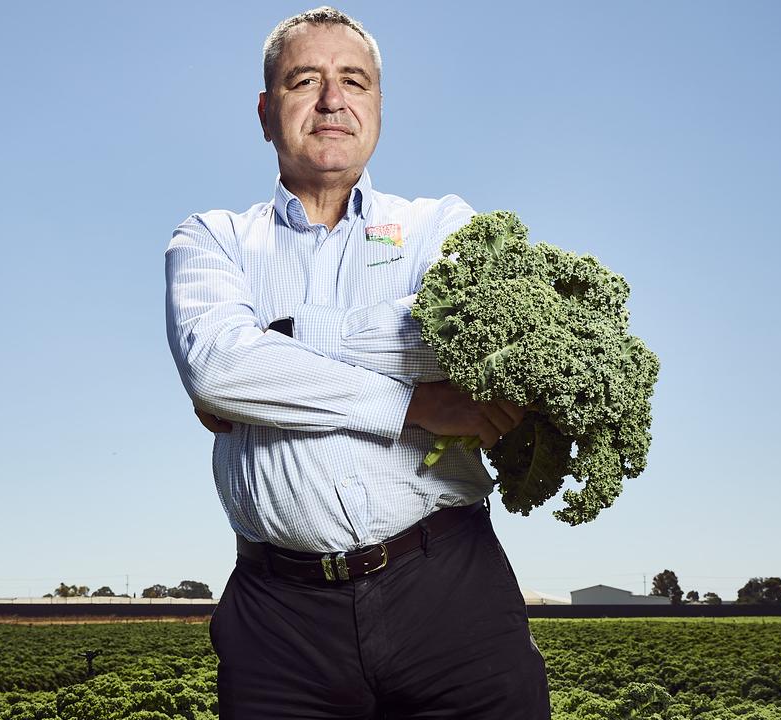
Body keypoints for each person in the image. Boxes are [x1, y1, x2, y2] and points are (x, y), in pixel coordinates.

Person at [164, 7, 550, 719]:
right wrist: (414, 403)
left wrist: (276, 340)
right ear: (264, 110)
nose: (331, 100)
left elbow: (462, 340)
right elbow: (219, 369)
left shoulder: (443, 226)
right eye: (303, 80)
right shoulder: (211, 238)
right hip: (279, 622)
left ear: (377, 106)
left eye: (353, 81)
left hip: (448, 592)